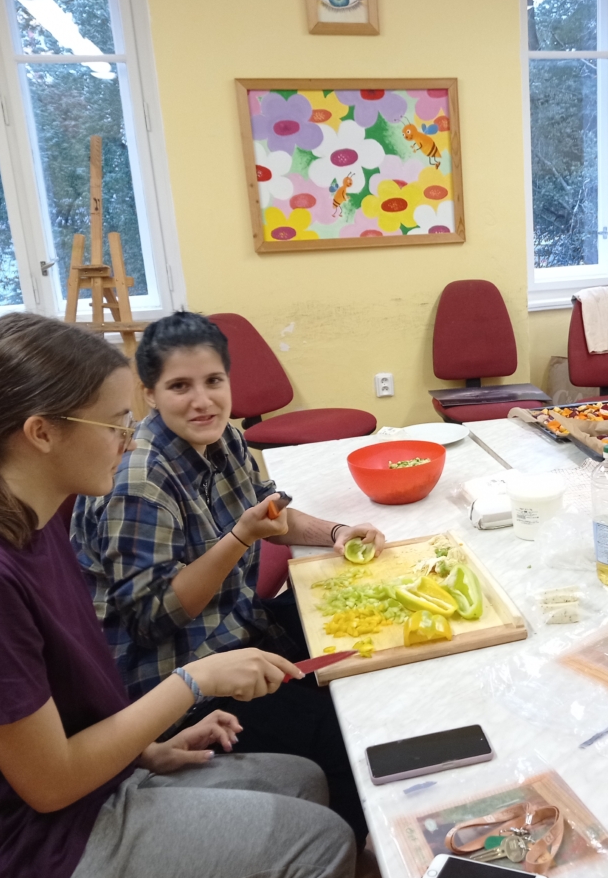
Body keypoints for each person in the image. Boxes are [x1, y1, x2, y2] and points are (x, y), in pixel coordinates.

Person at [0, 313, 355, 878]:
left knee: (305, 779)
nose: (128, 441)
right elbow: (49, 783)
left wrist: (144, 751)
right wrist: (195, 682)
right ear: (41, 433)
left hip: (72, 794)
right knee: (319, 847)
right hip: (13, 848)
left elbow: (55, 711)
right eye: (114, 425)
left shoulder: (35, 518)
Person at [71, 310, 380, 847]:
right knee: (340, 724)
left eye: (213, 381)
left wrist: (335, 531)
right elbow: (152, 619)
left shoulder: (225, 440)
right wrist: (237, 538)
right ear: (149, 394)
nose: (202, 400)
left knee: (359, 632)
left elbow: (269, 515)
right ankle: (341, 851)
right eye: (180, 387)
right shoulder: (139, 480)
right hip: (174, 687)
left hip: (235, 629)